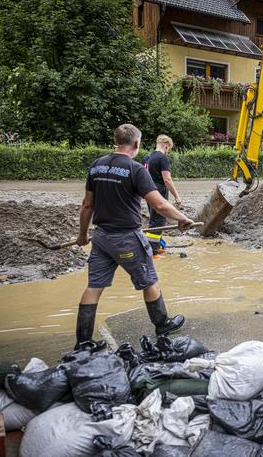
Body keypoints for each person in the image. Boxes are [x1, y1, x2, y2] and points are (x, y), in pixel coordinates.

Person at [74, 124, 194, 350]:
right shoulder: (135, 169)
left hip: (101, 238)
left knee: (94, 286)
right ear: (136, 144)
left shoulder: (96, 166)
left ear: (117, 140)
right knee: (149, 281)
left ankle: (83, 342)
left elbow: (87, 204)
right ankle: (162, 325)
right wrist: (181, 218)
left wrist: (82, 234)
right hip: (127, 238)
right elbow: (159, 204)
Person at [143, 135, 182, 258]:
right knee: (158, 221)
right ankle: (152, 252)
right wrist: (176, 196)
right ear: (166, 145)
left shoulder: (147, 157)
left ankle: (156, 247)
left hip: (148, 191)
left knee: (154, 219)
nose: (168, 150)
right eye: (169, 148)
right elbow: (167, 179)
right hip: (159, 192)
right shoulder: (162, 158)